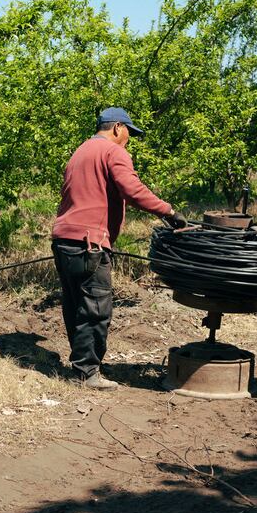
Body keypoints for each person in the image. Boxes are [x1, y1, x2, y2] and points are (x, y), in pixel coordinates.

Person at [51, 107, 187, 390]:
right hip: (89, 243)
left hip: (64, 239)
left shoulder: (81, 151)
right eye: (128, 133)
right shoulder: (113, 152)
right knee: (96, 309)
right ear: (117, 128)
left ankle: (81, 368)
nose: (128, 140)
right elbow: (132, 189)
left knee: (75, 305)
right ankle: (87, 373)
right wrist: (169, 212)